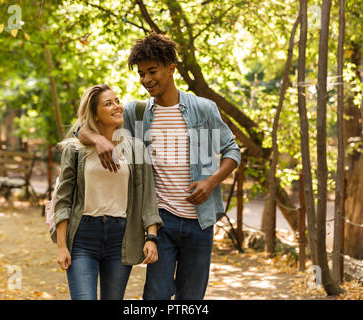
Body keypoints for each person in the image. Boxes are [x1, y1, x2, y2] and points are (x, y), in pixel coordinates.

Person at [76, 33, 241, 300]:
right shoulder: (136, 113)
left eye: (152, 71)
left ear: (171, 68)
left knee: (191, 298)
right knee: (155, 297)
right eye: (141, 74)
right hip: (160, 223)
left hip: (200, 222)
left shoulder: (203, 109)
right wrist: (98, 140)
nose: (146, 80)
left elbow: (232, 151)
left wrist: (211, 182)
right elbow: (80, 129)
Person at [54, 84, 163, 300]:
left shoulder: (136, 148)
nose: (117, 106)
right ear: (95, 113)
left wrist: (151, 237)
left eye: (117, 101)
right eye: (108, 103)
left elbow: (148, 197)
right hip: (82, 236)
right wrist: (61, 246)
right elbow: (63, 200)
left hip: (120, 238)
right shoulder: (75, 150)